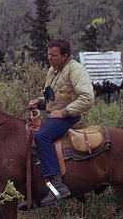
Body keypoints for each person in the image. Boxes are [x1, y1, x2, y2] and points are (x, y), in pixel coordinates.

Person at [28, 38, 94, 207]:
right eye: (49, 54)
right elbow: (52, 98)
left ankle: (57, 185)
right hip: (55, 115)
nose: (50, 58)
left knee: (42, 136)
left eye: (54, 55)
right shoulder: (53, 70)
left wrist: (64, 112)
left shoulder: (76, 70)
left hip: (68, 116)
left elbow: (87, 98)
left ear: (65, 55)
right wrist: (39, 102)